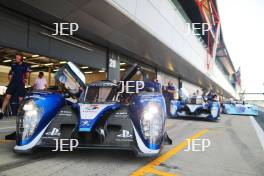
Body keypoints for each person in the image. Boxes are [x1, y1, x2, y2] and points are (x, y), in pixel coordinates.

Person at [0, 54, 29, 119]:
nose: (16, 58)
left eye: (17, 57)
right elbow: (11, 74)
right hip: (13, 83)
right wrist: (10, 81)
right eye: (16, 57)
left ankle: (22, 114)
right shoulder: (13, 65)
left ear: (21, 59)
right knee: (7, 97)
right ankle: (2, 112)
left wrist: (25, 79)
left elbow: (27, 74)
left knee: (21, 99)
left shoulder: (25, 65)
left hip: (20, 84)